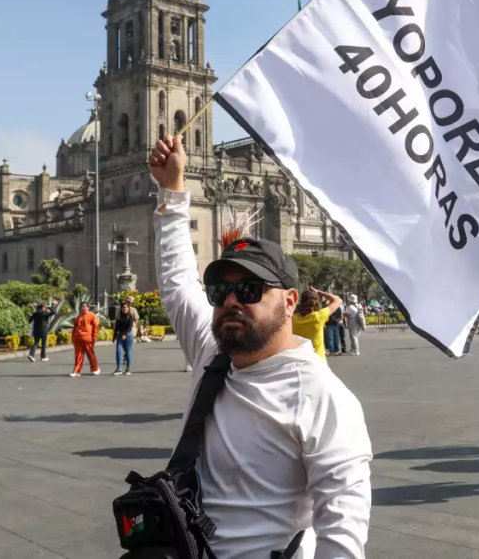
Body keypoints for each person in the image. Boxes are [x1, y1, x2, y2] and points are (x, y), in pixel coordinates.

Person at [149, 133, 371, 557]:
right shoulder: (213, 354)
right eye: (220, 291)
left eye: (250, 289)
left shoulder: (323, 397)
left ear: (289, 301)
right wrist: (173, 188)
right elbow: (178, 281)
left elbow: (342, 532)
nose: (232, 300)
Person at [292, 287, 342, 361]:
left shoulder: (294, 318)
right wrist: (320, 292)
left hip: (300, 360)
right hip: (318, 360)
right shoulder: (319, 316)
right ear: (316, 301)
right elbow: (338, 300)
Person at [70, 302, 101, 377]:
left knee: (90, 354)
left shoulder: (92, 315)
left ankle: (95, 368)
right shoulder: (79, 317)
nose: (83, 308)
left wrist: (94, 336)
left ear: (88, 307)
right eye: (82, 307)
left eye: (84, 306)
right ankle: (76, 371)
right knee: (78, 356)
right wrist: (73, 337)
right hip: (78, 339)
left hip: (88, 338)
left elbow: (96, 326)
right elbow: (75, 328)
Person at [114, 301, 136, 375]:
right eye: (123, 307)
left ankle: (128, 368)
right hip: (120, 336)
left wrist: (125, 334)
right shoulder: (119, 316)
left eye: (126, 307)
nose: (125, 309)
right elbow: (116, 327)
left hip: (128, 336)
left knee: (128, 352)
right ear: (121, 308)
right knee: (118, 352)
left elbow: (130, 327)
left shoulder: (130, 317)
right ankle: (119, 368)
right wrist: (114, 336)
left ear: (128, 308)